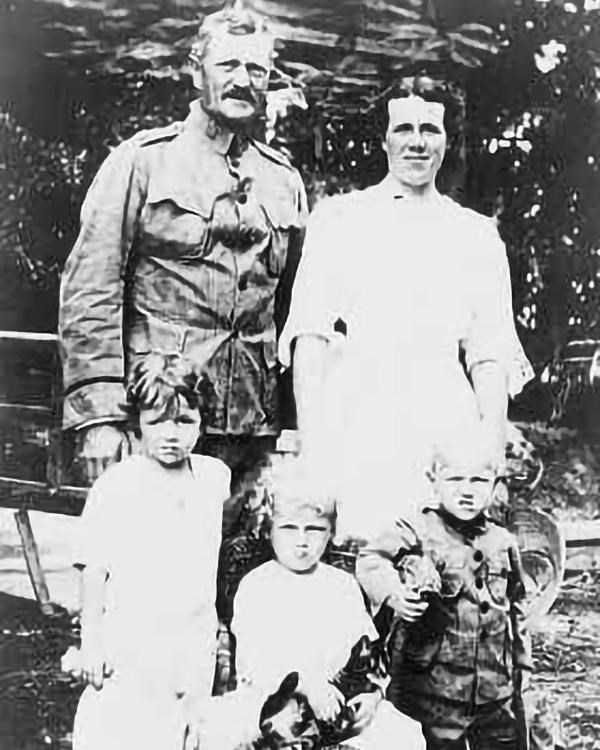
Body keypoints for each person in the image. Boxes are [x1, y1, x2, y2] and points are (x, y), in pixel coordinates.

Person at [59, 0, 307, 530]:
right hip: (158, 416)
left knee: (232, 576)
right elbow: (90, 287)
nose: (243, 80)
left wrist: (294, 422)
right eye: (228, 66)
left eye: (257, 69)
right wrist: (101, 415)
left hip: (251, 426)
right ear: (196, 71)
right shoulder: (143, 160)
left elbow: (293, 310)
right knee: (145, 573)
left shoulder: (283, 180)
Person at [279, 79, 534, 547]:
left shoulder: (474, 235)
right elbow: (310, 337)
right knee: (362, 548)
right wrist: (312, 446)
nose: (417, 141)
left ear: (448, 140)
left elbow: (489, 352)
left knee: (440, 554)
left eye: (430, 130)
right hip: (359, 408)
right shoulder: (340, 220)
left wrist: (490, 444)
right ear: (384, 138)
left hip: (443, 414)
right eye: (404, 128)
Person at [70, 353, 231, 750]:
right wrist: (92, 640)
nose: (170, 435)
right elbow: (94, 568)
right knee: (125, 731)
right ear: (136, 423)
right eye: (157, 422)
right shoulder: (117, 485)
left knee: (183, 734)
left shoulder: (214, 478)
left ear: (202, 421)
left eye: (184, 421)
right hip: (133, 640)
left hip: (193, 641)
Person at [197, 472, 425, 750]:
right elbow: (257, 664)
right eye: (289, 528)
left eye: (315, 529)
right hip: (274, 698)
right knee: (216, 729)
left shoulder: (343, 585)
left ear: (330, 533)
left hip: (336, 700)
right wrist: (304, 685)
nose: (302, 541)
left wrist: (373, 695)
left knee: (404, 734)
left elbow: (367, 653)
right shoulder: (257, 585)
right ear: (269, 529)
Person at [355, 431, 532, 750]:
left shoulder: (503, 541)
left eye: (478, 480)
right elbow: (370, 559)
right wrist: (394, 593)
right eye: (455, 480)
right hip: (433, 693)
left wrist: (523, 666)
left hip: (495, 691)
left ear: (495, 483)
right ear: (433, 480)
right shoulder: (418, 529)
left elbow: (517, 609)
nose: (467, 491)